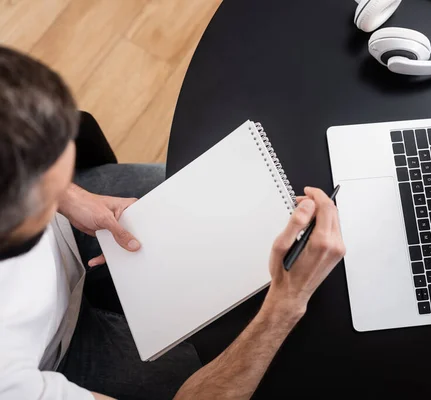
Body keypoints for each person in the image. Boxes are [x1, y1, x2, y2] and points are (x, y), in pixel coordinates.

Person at [0, 46, 346, 400]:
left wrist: (69, 197)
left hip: (65, 231)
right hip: (61, 355)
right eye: (54, 182)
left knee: (218, 196)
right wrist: (286, 304)